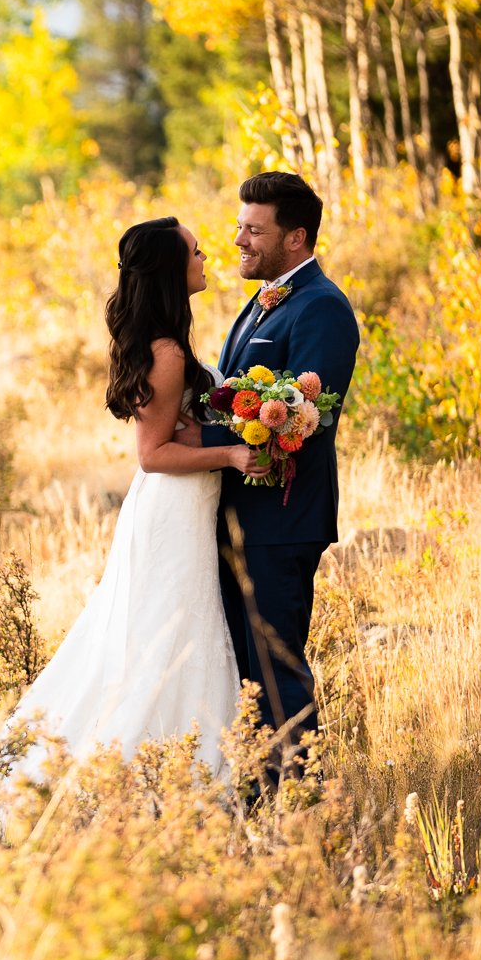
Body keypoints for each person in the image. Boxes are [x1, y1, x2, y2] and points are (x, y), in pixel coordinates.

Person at [0, 216, 257, 782]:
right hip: (171, 512)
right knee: (165, 637)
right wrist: (229, 454)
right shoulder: (168, 353)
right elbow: (152, 453)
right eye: (196, 253)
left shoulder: (171, 343)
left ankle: (173, 766)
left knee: (170, 632)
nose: (206, 258)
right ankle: (142, 771)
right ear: (171, 273)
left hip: (183, 508)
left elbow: (178, 433)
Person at [198, 171, 360, 793]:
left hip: (281, 517)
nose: (239, 238)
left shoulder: (322, 306)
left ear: (295, 237)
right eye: (241, 226)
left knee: (276, 667)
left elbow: (306, 414)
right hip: (244, 516)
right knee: (247, 669)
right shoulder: (265, 295)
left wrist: (197, 445)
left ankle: (303, 797)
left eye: (253, 229)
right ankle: (258, 790)